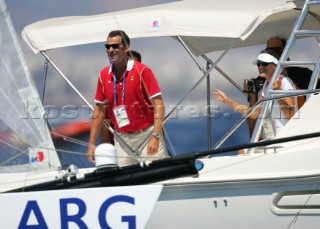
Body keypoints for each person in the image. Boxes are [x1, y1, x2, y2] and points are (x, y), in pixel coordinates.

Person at [87, 30, 168, 166]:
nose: (111, 50)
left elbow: (159, 104)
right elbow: (99, 111)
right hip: (122, 140)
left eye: (115, 46)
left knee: (156, 177)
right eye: (108, 47)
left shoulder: (142, 71)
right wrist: (91, 144)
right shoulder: (103, 75)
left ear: (126, 47)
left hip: (147, 136)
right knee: (124, 183)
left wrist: (155, 136)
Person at [214, 49, 297, 138]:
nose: (260, 67)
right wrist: (226, 100)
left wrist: (277, 92)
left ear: (276, 66)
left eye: (264, 63)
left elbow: (291, 115)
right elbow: (254, 114)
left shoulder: (285, 81)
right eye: (258, 64)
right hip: (276, 140)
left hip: (287, 139)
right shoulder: (267, 86)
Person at [99, 50, 142, 145]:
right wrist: (104, 151)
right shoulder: (113, 94)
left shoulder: (145, 93)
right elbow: (105, 125)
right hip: (120, 146)